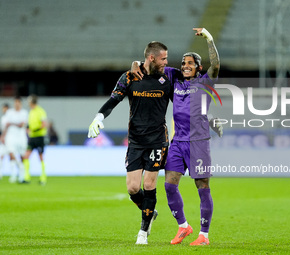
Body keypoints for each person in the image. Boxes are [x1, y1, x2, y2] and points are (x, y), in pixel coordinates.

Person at [131, 28, 221, 246]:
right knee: (170, 186)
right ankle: (183, 226)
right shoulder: (174, 79)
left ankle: (204, 235)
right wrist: (135, 63)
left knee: (202, 187)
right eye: (183, 63)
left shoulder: (206, 82)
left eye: (190, 63)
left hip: (199, 143)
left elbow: (216, 65)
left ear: (198, 67)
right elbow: (152, 64)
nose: (185, 66)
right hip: (178, 143)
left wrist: (209, 37)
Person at [88, 41, 172, 245]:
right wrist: (99, 117)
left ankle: (142, 232)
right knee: (133, 188)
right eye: (163, 58)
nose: (166, 62)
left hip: (157, 140)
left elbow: (184, 103)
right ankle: (150, 212)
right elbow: (114, 99)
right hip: (135, 140)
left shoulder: (167, 78)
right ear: (151, 58)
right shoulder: (129, 76)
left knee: (149, 184)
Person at [0, 97, 28, 183]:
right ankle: (19, 169)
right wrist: (3, 136)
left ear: (21, 103)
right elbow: (6, 126)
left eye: (18, 102)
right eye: (15, 102)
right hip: (11, 137)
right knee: (11, 153)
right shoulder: (9, 112)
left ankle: (21, 176)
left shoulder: (24, 113)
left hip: (21, 137)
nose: (16, 104)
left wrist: (12, 123)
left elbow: (22, 125)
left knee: (22, 155)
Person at [23, 94, 48, 185]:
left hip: (39, 137)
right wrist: (28, 129)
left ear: (31, 102)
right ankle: (26, 177)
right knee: (26, 156)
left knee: (40, 157)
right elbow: (29, 124)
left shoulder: (40, 111)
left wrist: (34, 129)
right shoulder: (31, 112)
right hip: (32, 137)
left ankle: (43, 177)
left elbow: (44, 124)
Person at [0, 103, 10, 180]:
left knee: (12, 156)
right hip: (4, 139)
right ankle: (1, 173)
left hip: (11, 139)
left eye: (5, 108)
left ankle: (13, 174)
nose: (3, 110)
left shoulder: (11, 117)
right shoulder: (3, 118)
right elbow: (3, 129)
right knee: (1, 156)